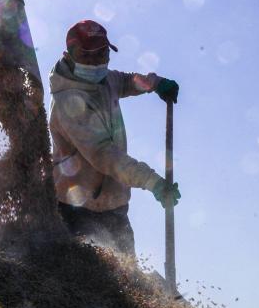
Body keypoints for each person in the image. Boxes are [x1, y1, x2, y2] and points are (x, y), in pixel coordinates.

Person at [48, 19, 181, 257]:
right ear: (71, 55)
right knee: (78, 272)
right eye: (88, 55)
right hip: (76, 207)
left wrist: (155, 83)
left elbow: (128, 81)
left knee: (127, 272)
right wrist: (153, 182)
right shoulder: (68, 102)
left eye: (102, 53)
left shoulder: (105, 79)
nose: (97, 62)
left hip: (114, 205)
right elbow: (104, 155)